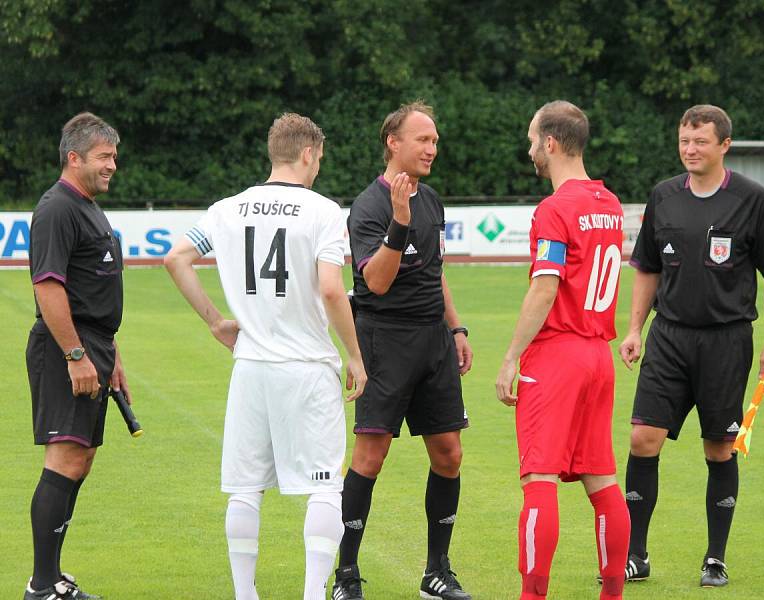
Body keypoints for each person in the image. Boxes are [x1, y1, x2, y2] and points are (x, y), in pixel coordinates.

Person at [164, 113, 366, 600]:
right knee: (323, 486)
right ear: (308, 154)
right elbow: (333, 291)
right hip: (307, 366)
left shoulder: (228, 209)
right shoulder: (324, 211)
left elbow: (176, 258)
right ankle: (314, 595)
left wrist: (216, 321)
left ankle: (244, 594)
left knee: (244, 486)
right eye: (319, 158)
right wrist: (355, 356)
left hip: (251, 367)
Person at [619, 104, 764, 588]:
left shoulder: (752, 199)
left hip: (726, 341)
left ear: (724, 146)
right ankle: (635, 555)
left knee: (719, 449)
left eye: (700, 142)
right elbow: (647, 267)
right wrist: (634, 329)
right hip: (669, 337)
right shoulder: (664, 196)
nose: (690, 150)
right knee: (641, 439)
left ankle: (715, 557)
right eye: (684, 141)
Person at [332, 101, 473, 600]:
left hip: (433, 341)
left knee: (449, 453)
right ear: (394, 142)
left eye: (435, 140)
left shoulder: (432, 199)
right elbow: (377, 281)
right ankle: (346, 574)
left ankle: (437, 571)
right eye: (423, 140)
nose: (432, 148)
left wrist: (456, 330)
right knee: (370, 456)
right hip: (384, 340)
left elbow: (436, 272)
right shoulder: (367, 207)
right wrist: (398, 220)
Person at [496, 101, 630, 600]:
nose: (530, 149)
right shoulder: (610, 203)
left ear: (550, 143)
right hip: (599, 354)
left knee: (539, 478)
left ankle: (532, 596)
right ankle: (611, 594)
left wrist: (511, 357)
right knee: (602, 480)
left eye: (532, 140)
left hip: (558, 356)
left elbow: (545, 287)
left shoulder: (555, 209)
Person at [24, 112, 127, 600]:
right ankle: (42, 586)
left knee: (79, 460)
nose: (113, 166)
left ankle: (52, 579)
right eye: (105, 157)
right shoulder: (56, 208)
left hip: (96, 347)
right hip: (69, 349)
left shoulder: (88, 206)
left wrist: (113, 356)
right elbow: (48, 287)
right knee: (64, 458)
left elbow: (95, 287)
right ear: (74, 157)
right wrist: (75, 354)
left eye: (113, 157)